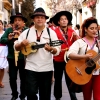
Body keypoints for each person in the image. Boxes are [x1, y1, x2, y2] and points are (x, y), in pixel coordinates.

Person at [14, 7, 61, 100]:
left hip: (46, 68)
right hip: (31, 67)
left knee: (45, 95)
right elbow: (16, 46)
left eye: (42, 17)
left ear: (45, 20)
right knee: (30, 93)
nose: (39, 19)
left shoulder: (51, 33)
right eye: (37, 17)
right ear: (33, 19)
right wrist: (21, 44)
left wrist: (51, 49)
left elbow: (57, 50)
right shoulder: (26, 33)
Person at [65, 17, 100, 100]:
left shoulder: (98, 42)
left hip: (98, 73)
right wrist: (84, 56)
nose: (94, 30)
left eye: (96, 28)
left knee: (97, 97)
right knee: (87, 98)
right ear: (86, 29)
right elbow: (69, 54)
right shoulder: (80, 42)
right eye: (91, 28)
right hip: (84, 74)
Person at [52, 11, 79, 100]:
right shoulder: (54, 32)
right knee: (58, 80)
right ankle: (57, 97)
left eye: (65, 19)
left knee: (70, 79)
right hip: (58, 59)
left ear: (68, 21)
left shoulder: (72, 31)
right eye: (62, 19)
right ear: (58, 22)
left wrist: (76, 37)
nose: (64, 21)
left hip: (69, 59)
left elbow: (78, 44)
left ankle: (73, 97)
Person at [0, 13, 27, 100]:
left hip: (23, 58)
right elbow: (2, 39)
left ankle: (23, 95)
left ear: (23, 22)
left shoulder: (27, 30)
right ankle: (14, 94)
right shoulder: (9, 30)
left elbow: (31, 42)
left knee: (24, 78)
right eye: (15, 20)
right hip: (12, 57)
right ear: (13, 22)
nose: (17, 22)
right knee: (12, 77)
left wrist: (21, 37)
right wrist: (8, 38)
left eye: (19, 20)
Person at [0, 20, 8, 88]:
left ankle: (0, 81)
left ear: (2, 25)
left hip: (3, 50)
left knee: (2, 67)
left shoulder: (5, 33)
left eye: (0, 24)